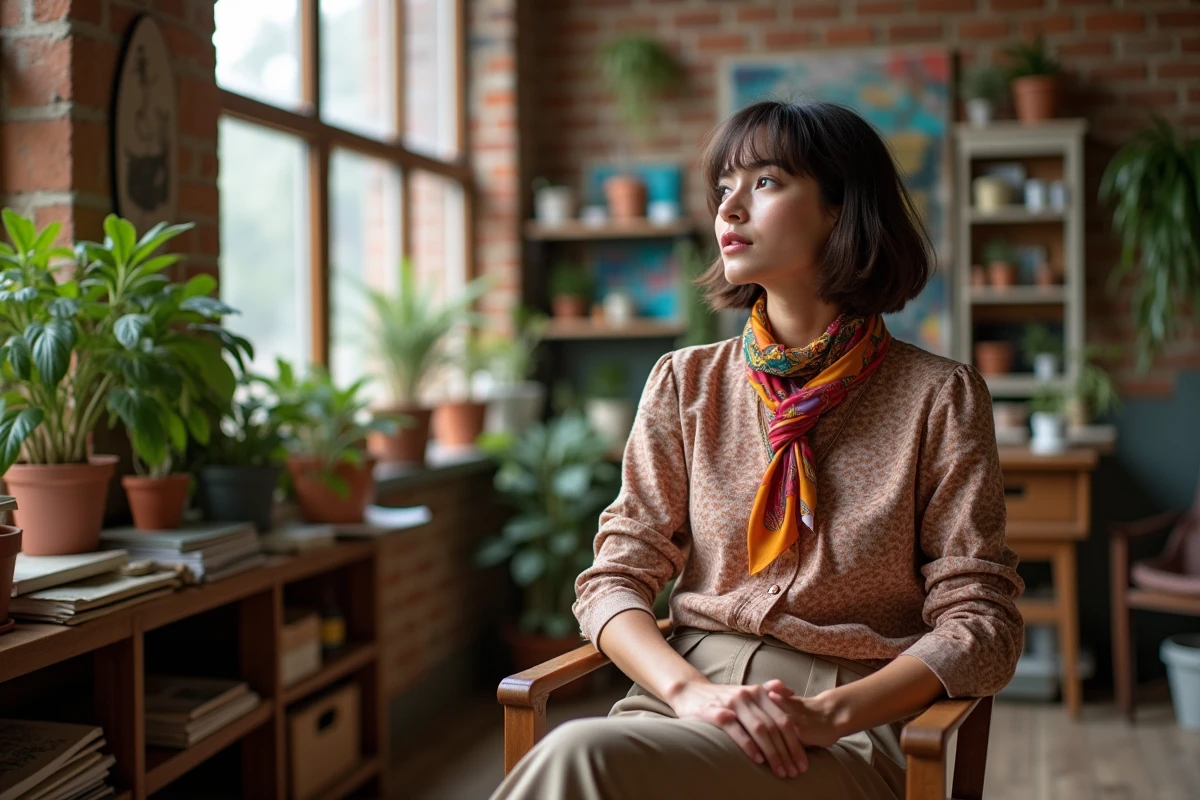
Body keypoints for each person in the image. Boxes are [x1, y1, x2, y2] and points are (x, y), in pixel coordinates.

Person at [491, 100, 1025, 800]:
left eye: (766, 183)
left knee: (579, 758)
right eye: (723, 189)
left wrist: (830, 714)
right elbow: (613, 577)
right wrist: (688, 692)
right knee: (587, 753)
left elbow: (982, 619)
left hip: (843, 728)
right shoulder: (685, 383)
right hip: (678, 700)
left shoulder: (940, 397)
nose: (730, 210)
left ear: (839, 209)